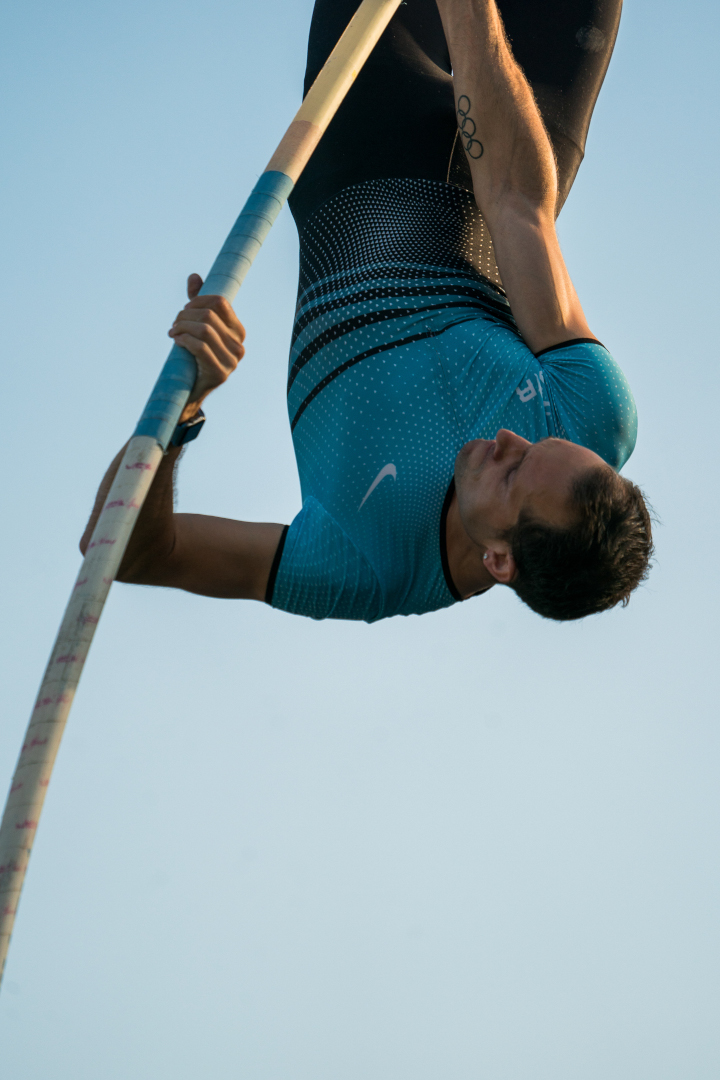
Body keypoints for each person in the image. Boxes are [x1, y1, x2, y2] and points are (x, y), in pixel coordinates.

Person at [82, 0, 653, 622]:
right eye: (541, 444)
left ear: (500, 560)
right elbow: (516, 204)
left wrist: (183, 411)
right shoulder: (593, 419)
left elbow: (131, 553)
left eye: (514, 474)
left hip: (362, 154)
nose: (511, 439)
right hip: (503, 154)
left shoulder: (363, 570)